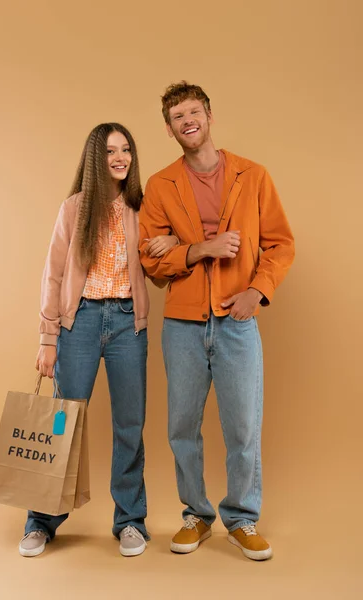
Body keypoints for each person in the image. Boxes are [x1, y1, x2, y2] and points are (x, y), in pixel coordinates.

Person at [140, 82, 295, 560]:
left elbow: (280, 244)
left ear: (209, 115)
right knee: (182, 426)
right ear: (169, 129)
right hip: (183, 326)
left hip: (237, 322)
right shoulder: (161, 185)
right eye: (177, 117)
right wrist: (198, 249)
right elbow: (150, 257)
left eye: (194, 112)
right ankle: (196, 515)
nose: (188, 121)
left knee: (243, 426)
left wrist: (257, 290)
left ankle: (242, 518)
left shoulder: (253, 175)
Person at [19, 123, 177, 558]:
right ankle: (41, 521)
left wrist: (172, 241)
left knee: (130, 425)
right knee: (61, 424)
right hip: (79, 323)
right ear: (96, 158)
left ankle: (130, 521)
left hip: (129, 324)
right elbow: (53, 274)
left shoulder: (144, 208)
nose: (120, 158)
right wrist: (48, 337)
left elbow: (162, 267)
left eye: (126, 149)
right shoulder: (73, 208)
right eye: (110, 151)